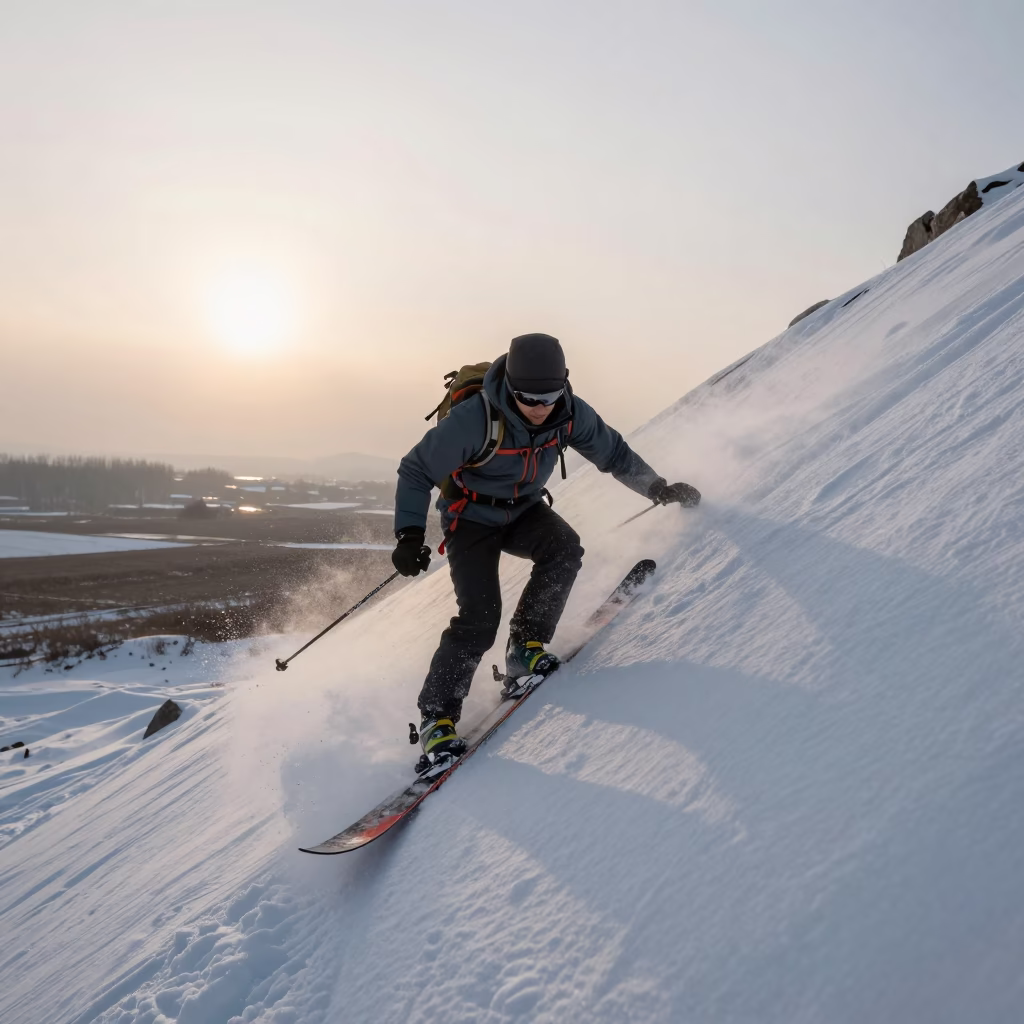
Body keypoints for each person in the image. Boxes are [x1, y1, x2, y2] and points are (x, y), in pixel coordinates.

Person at [392, 333, 699, 769]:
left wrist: (657, 487)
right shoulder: (476, 418)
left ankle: (524, 646)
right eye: (528, 397)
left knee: (564, 548)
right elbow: (417, 469)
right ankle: (436, 719)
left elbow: (611, 451)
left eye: (550, 396)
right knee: (479, 616)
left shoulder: (570, 413)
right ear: (510, 386)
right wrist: (407, 535)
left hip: (523, 509)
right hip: (471, 517)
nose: (540, 407)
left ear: (565, 384)